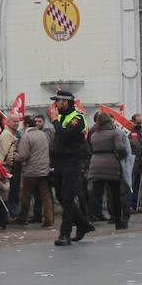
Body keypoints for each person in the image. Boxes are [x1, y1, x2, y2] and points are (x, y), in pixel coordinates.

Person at [50, 90, 94, 246]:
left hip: (72, 161)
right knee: (61, 197)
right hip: (59, 162)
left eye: (58, 101)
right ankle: (83, 224)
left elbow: (66, 135)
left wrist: (54, 120)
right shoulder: (61, 117)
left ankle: (65, 234)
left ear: (66, 102)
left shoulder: (77, 118)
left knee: (68, 197)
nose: (55, 104)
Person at [87, 112, 128, 230]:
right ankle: (118, 221)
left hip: (95, 163)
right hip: (111, 164)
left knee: (96, 193)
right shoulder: (114, 134)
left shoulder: (94, 134)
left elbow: (90, 147)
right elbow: (120, 148)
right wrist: (122, 156)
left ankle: (90, 218)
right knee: (115, 194)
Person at [13, 115, 53, 227]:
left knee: (26, 195)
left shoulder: (27, 137)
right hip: (44, 169)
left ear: (25, 124)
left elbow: (23, 155)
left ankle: (23, 217)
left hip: (31, 171)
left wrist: (15, 156)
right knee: (45, 195)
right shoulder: (44, 135)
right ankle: (49, 219)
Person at [0, 115, 21, 212]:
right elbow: (5, 153)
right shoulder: (7, 135)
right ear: (7, 122)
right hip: (8, 167)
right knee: (9, 191)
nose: (16, 123)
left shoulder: (11, 134)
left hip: (11, 166)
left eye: (17, 121)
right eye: (14, 121)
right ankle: (11, 213)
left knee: (12, 191)